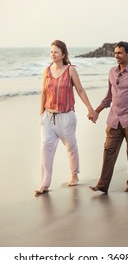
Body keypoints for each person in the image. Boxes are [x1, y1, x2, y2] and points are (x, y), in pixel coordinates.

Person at [89, 41, 128, 193]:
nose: (116, 55)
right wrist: (97, 111)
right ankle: (102, 185)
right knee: (108, 151)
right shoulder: (112, 72)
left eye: (119, 53)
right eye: (115, 52)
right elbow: (109, 96)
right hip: (114, 120)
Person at [35, 40, 96, 195]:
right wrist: (41, 114)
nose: (52, 54)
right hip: (48, 117)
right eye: (51, 52)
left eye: (56, 52)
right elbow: (43, 93)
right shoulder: (46, 71)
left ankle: (74, 175)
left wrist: (90, 109)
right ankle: (44, 183)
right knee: (45, 149)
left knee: (71, 148)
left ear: (63, 54)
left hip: (66, 117)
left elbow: (80, 90)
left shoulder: (70, 71)